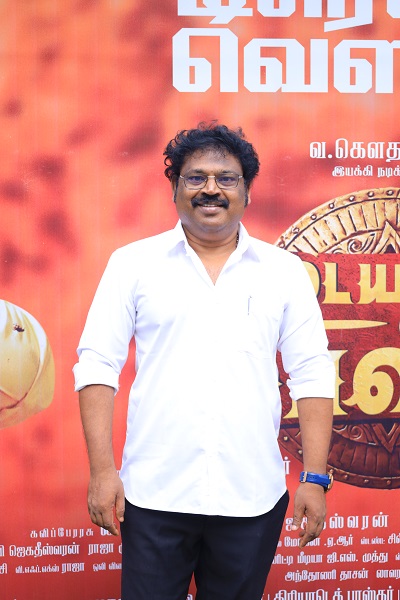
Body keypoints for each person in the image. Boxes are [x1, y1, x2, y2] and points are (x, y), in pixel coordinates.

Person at [74, 123, 335, 600]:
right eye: (195, 178)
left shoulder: (283, 272)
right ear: (174, 189)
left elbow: (312, 373)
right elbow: (96, 366)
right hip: (154, 496)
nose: (210, 189)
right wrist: (102, 471)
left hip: (251, 496)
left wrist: (314, 478)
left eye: (226, 178)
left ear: (247, 192)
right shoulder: (132, 264)